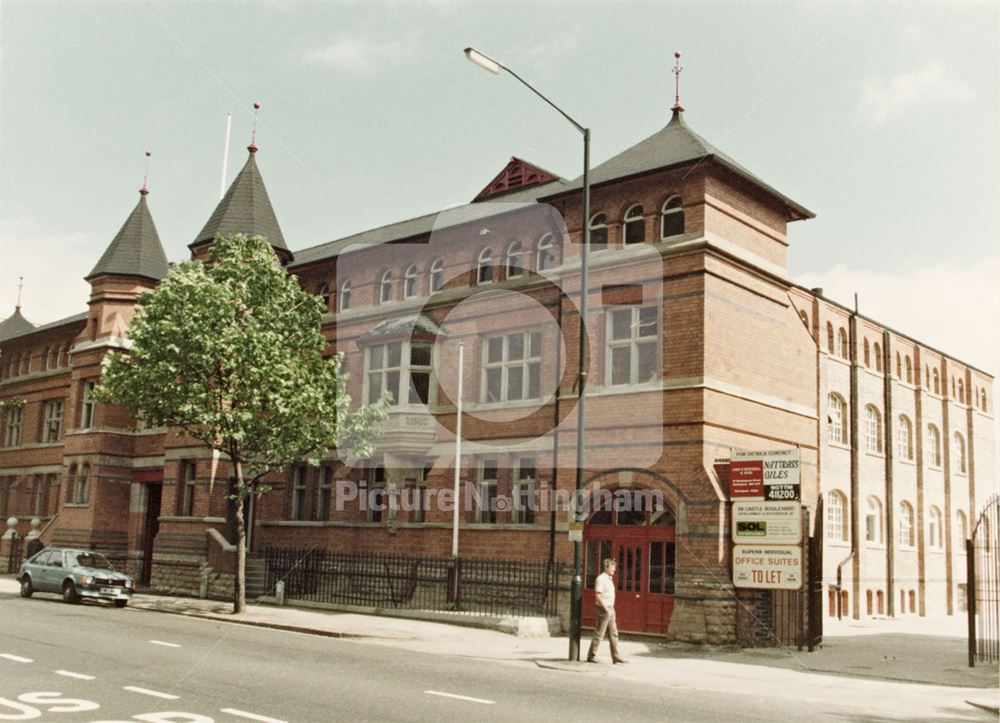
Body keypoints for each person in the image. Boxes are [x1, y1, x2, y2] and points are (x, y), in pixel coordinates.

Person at [587, 558, 626, 663]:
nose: (614, 569)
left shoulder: (609, 579)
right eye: (612, 567)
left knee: (614, 633)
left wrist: (611, 610)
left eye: (615, 567)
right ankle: (591, 656)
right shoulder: (601, 579)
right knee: (600, 633)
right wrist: (606, 609)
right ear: (606, 567)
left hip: (610, 608)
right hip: (603, 609)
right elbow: (598, 596)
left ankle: (615, 656)